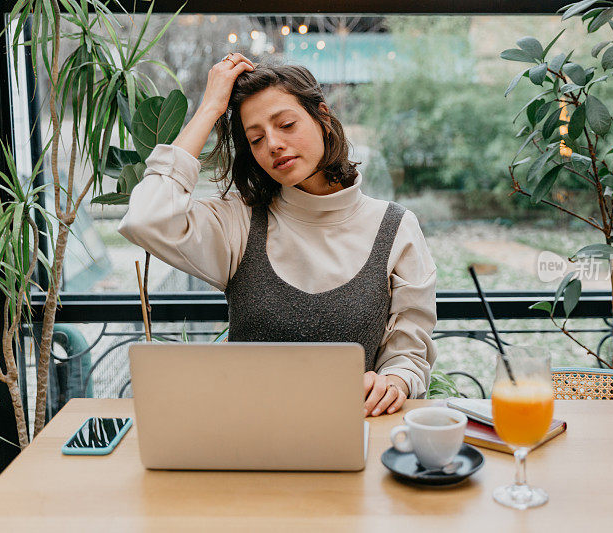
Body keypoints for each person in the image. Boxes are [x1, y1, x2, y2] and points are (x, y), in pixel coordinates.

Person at [118, 53, 437, 417]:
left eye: (286, 124)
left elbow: (409, 352)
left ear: (323, 118)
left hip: (351, 438)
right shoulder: (239, 222)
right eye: (255, 139)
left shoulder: (396, 228)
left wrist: (394, 382)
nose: (272, 144)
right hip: (245, 441)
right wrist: (209, 108)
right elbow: (145, 219)